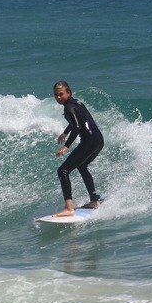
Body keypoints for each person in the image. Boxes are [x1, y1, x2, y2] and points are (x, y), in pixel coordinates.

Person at [51, 80, 103, 216]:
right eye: (56, 95)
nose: (58, 97)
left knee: (63, 171)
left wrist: (66, 146)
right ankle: (94, 200)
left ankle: (69, 208)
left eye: (61, 94)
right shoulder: (76, 103)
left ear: (69, 92)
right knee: (82, 166)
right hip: (98, 139)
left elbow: (78, 127)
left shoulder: (68, 108)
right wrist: (65, 132)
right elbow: (78, 121)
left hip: (89, 141)